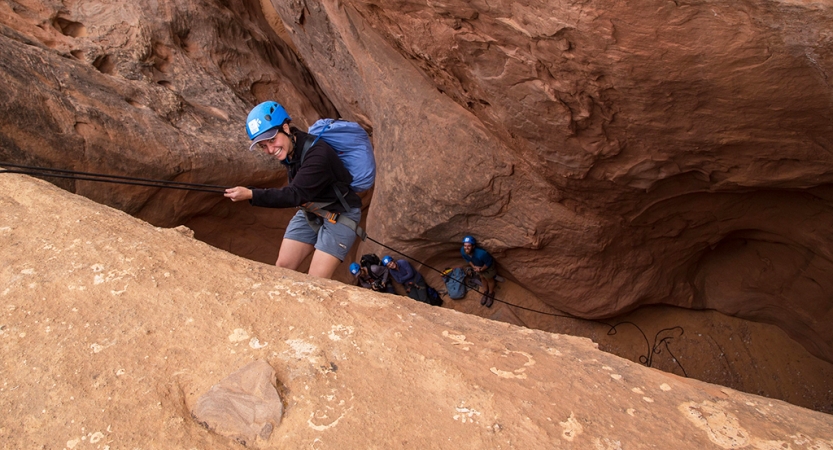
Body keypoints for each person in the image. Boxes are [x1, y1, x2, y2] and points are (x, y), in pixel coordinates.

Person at [224, 101, 362, 279]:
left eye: (272, 140)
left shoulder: (317, 155)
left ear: (286, 128)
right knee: (282, 268)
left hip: (341, 214)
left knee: (316, 280)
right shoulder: (291, 151)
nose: (270, 149)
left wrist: (251, 194)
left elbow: (294, 194)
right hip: (312, 209)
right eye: (263, 146)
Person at [460, 235, 497, 307]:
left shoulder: (482, 254)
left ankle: (491, 293)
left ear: (473, 246)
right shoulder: (463, 250)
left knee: (489, 279)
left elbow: (488, 262)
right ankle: (485, 291)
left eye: (469, 246)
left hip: (487, 267)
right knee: (482, 277)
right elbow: (467, 259)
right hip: (476, 266)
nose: (466, 248)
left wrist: (481, 269)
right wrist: (474, 267)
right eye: (465, 245)